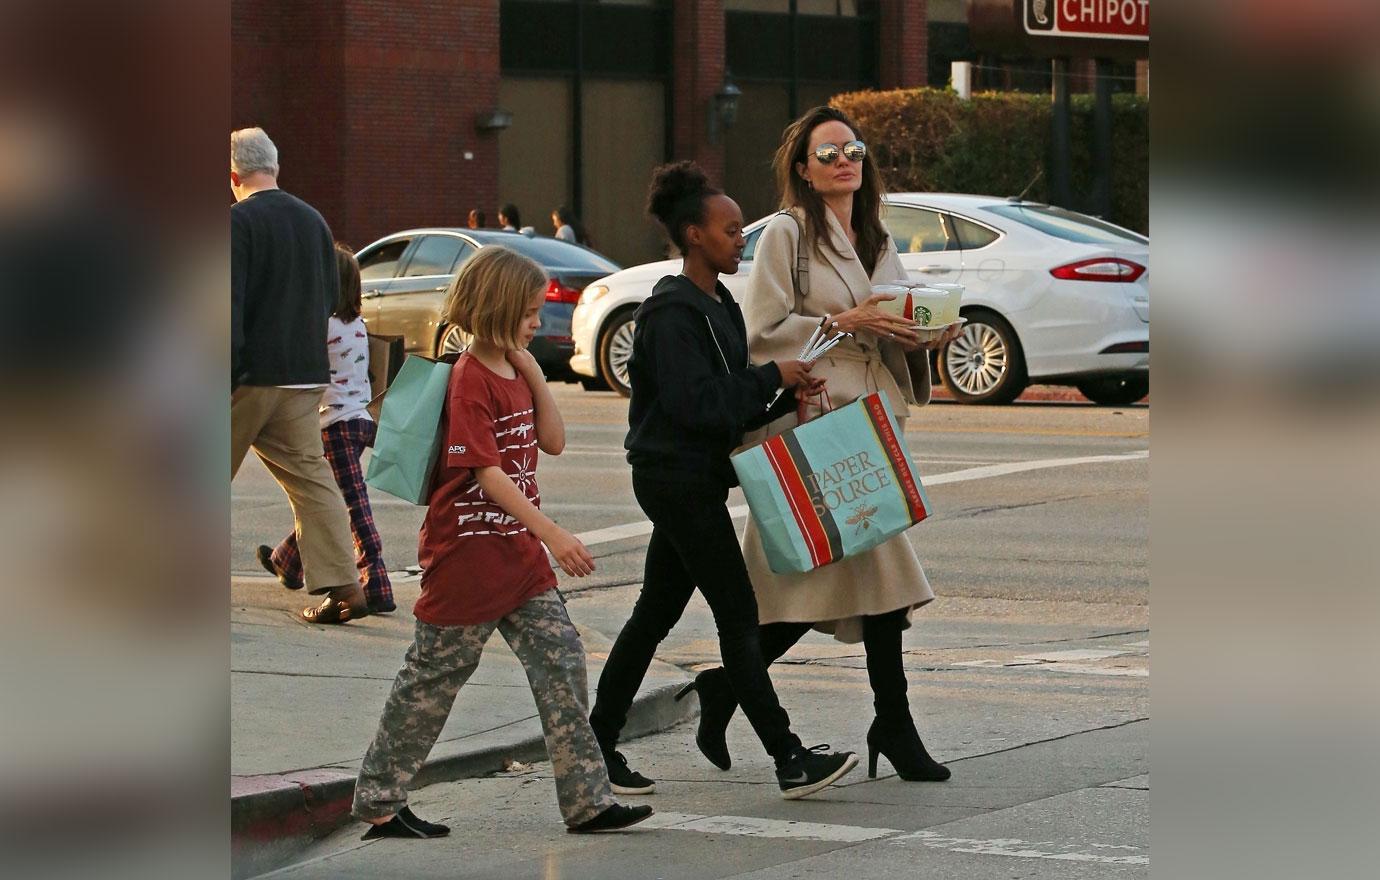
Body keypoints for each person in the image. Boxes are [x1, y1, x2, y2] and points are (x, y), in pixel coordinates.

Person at [682, 106, 963, 782]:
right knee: (858, 577)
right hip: (820, 420)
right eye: (829, 151)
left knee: (845, 580)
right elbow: (762, 328)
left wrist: (927, 335)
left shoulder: (874, 235)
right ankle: (888, 724)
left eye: (854, 149)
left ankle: (731, 688)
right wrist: (846, 319)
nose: (845, 160)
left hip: (867, 419)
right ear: (804, 170)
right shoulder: (788, 233)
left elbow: (896, 314)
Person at [352, 245, 653, 838]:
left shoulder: (515, 370)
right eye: (529, 312)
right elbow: (485, 474)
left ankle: (588, 802)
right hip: (467, 556)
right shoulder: (469, 380)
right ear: (496, 307)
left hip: (517, 558)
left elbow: (555, 440)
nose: (538, 322)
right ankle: (380, 802)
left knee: (561, 661)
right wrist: (554, 535)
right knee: (433, 678)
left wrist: (535, 371)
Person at [587, 161, 858, 802]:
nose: (742, 239)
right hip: (672, 478)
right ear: (693, 235)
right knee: (738, 616)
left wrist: (787, 395)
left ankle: (594, 748)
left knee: (654, 613)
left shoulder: (721, 304)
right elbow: (696, 405)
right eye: (731, 229)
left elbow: (729, 406)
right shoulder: (671, 313)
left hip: (695, 478)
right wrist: (773, 378)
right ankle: (789, 758)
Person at [231, 127, 367, 624]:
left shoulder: (236, 223)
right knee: (312, 479)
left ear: (233, 176)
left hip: (249, 375)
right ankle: (345, 586)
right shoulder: (313, 221)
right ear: (276, 168)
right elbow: (332, 295)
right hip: (305, 375)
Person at [256, 244, 396, 614]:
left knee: (352, 505)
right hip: (362, 421)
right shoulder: (357, 325)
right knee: (326, 496)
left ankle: (376, 581)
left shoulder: (322, 326)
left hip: (333, 425)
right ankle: (288, 560)